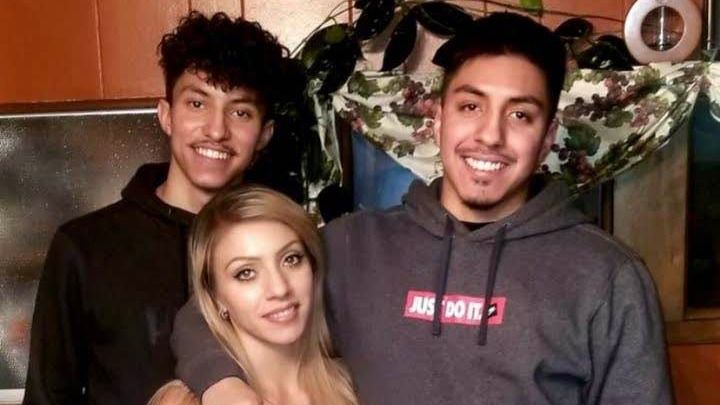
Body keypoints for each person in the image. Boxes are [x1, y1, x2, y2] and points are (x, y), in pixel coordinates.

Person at [172, 12, 672, 405]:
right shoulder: (352, 246)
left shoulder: (607, 277)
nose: (490, 135)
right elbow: (207, 313)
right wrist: (222, 386)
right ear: (437, 120)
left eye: (520, 115)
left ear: (546, 138)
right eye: (471, 106)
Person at [23, 12, 285, 405]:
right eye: (197, 103)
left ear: (264, 134)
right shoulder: (85, 247)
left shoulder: (287, 251)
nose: (216, 130)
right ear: (166, 115)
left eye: (240, 112)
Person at [149, 185, 357, 405]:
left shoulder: (355, 386)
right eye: (246, 273)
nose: (279, 288)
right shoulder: (184, 402)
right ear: (215, 297)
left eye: (291, 259)